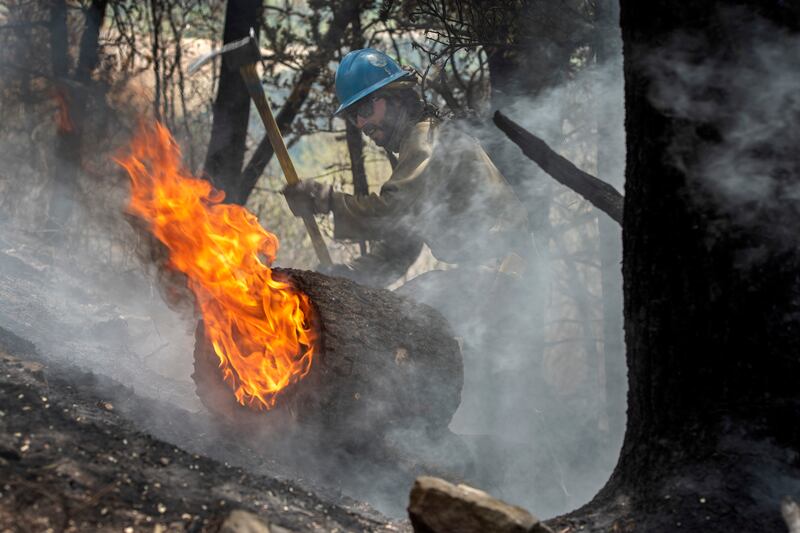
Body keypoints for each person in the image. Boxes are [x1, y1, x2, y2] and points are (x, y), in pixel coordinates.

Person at [283, 49, 538, 435]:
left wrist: (328, 201)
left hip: (507, 272)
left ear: (398, 95)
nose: (363, 123)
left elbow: (392, 211)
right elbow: (403, 242)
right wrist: (346, 281)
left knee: (413, 315)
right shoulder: (413, 146)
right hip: (490, 274)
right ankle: (430, 439)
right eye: (355, 115)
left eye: (368, 107)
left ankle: (434, 440)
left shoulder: (427, 140)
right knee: (409, 311)